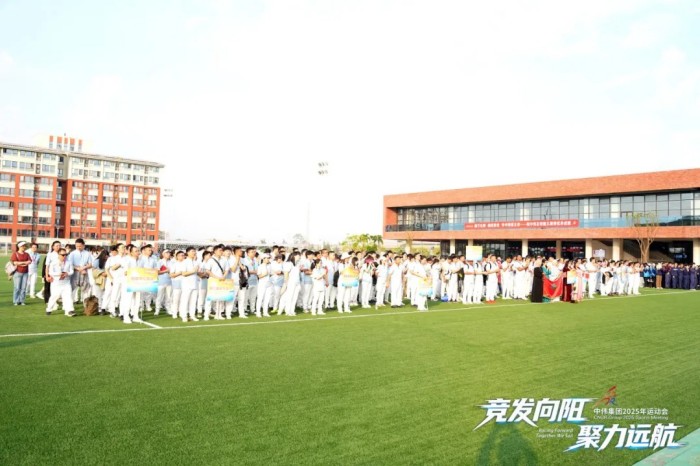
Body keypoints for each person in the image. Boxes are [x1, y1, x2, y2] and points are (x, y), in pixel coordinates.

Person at [45, 247, 76, 317]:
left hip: (66, 282)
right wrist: (59, 274)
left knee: (68, 296)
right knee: (54, 296)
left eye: (65, 255)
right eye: (62, 255)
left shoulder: (69, 262)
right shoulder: (53, 262)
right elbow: (50, 272)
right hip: (56, 283)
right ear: (58, 255)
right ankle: (49, 309)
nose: (64, 256)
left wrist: (67, 273)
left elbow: (72, 271)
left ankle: (70, 310)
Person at [68, 238, 93, 304]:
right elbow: (70, 264)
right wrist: (79, 269)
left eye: (80, 246)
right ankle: (71, 303)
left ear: (84, 245)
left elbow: (90, 264)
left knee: (86, 289)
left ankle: (86, 304)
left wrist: (84, 267)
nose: (78, 247)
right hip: (75, 273)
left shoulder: (87, 253)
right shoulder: (72, 253)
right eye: (77, 246)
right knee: (72, 288)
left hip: (84, 273)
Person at [11, 241, 31, 306]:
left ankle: (22, 301)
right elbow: (14, 262)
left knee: (23, 288)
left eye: (24, 246)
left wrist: (20, 263)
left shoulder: (27, 254)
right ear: (19, 246)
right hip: (17, 272)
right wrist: (24, 263)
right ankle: (16, 301)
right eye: (23, 246)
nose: (24, 247)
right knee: (17, 288)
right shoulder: (15, 254)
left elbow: (29, 261)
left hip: (25, 273)